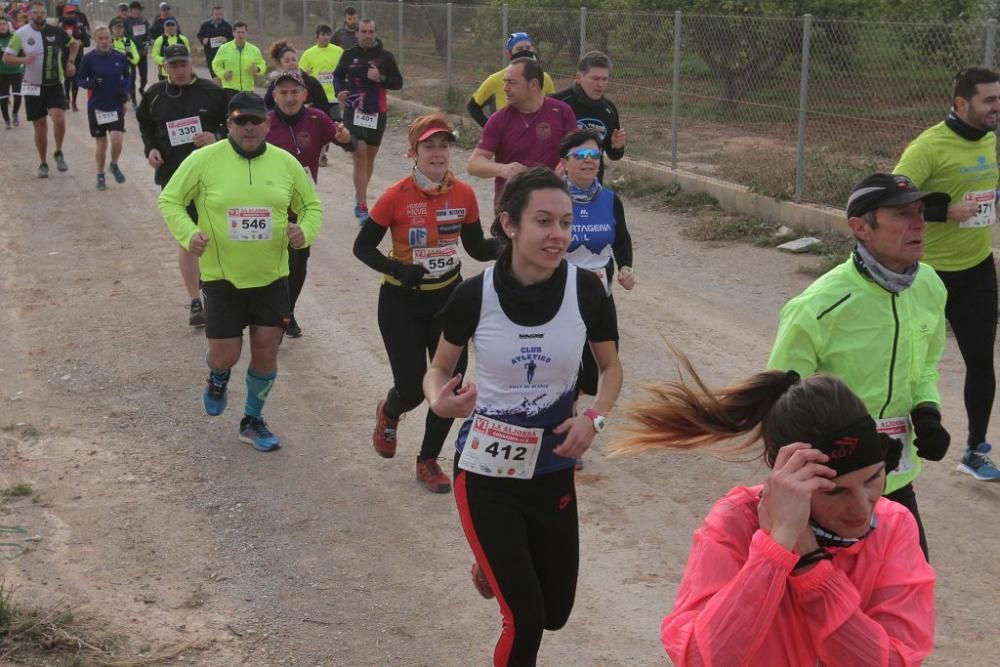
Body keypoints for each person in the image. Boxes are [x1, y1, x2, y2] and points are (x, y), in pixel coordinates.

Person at [423, 168, 623, 664]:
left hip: (552, 469)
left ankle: (491, 564)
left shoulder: (587, 292)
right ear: (509, 225)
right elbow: (438, 368)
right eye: (543, 222)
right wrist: (438, 400)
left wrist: (593, 419)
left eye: (565, 222)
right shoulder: (474, 295)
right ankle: (499, 559)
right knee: (526, 619)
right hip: (486, 470)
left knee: (555, 611)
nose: (558, 235)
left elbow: (612, 368)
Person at [612, 362, 936, 666]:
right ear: (791, 479)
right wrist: (777, 546)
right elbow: (701, 658)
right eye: (835, 491)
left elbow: (896, 660)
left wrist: (809, 562)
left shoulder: (893, 525)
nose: (862, 507)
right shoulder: (736, 521)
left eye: (872, 479)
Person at [769, 173, 951, 560]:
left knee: (909, 594)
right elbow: (782, 404)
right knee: (834, 606)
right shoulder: (818, 306)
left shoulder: (930, 287)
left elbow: (927, 365)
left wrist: (927, 409)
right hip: (835, 486)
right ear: (860, 227)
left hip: (895, 477)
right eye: (902, 214)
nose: (919, 223)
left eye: (921, 212)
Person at [158, 92, 324, 452]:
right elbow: (169, 199)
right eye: (240, 121)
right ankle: (218, 377)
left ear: (267, 123)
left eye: (255, 121)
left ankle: (252, 419)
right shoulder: (203, 160)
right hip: (222, 277)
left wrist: (304, 232)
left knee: (266, 352)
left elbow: (311, 205)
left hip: (272, 276)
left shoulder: (285, 163)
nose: (248, 128)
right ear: (229, 125)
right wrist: (189, 234)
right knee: (226, 354)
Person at [353, 114, 497, 494]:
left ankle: (428, 459)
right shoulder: (395, 196)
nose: (437, 153)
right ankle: (390, 410)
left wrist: (512, 242)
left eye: (444, 145)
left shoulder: (463, 194)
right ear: (413, 152)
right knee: (413, 389)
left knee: (449, 386)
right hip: (401, 302)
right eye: (429, 146)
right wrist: (398, 270)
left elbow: (477, 248)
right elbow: (362, 246)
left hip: (450, 300)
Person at [894, 67, 1000, 482]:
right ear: (961, 104)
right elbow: (892, 199)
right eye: (989, 100)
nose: (997, 107)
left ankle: (975, 449)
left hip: (976, 270)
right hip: (925, 276)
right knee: (910, 362)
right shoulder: (928, 147)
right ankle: (890, 443)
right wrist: (944, 211)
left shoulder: (990, 138)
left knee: (981, 361)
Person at [137, 43, 228, 328]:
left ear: (192, 64)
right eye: (172, 65)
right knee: (189, 239)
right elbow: (145, 124)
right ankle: (195, 301)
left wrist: (215, 135)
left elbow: (234, 125)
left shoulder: (212, 92)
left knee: (219, 236)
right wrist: (150, 149)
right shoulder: (153, 95)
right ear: (164, 67)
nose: (178, 70)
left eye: (183, 64)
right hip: (174, 178)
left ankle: (221, 293)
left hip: (213, 176)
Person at [559, 128, 634, 469]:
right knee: (568, 371)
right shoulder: (554, 198)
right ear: (564, 163)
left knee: (595, 374)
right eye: (581, 156)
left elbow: (621, 239)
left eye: (594, 156)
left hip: (600, 295)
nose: (590, 162)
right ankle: (567, 436)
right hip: (561, 296)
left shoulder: (610, 199)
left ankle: (583, 418)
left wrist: (626, 266)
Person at [266, 69, 354, 337]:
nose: (289, 98)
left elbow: (351, 146)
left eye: (295, 92)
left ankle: (287, 312)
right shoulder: (265, 124)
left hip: (304, 206)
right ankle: (274, 315)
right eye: (283, 92)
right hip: (270, 204)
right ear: (274, 96)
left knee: (299, 262)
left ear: (305, 94)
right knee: (275, 262)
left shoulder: (317, 119)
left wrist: (346, 139)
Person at [467, 57, 578, 209]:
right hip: (512, 204)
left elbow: (577, 150)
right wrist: (503, 169)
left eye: (511, 82)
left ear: (533, 84)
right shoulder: (499, 119)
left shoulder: (562, 112)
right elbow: (473, 164)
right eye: (505, 81)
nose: (505, 88)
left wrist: (567, 164)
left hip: (553, 200)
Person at [332, 18, 402, 222]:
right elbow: (337, 76)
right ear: (357, 34)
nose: (367, 35)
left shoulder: (385, 57)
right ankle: (363, 206)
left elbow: (398, 82)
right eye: (363, 31)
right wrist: (340, 91)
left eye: (371, 31)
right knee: (359, 155)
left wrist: (380, 78)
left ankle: (359, 193)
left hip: (376, 113)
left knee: (369, 159)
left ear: (375, 32)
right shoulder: (348, 55)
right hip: (354, 111)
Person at [3, 1, 79, 178]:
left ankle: (58, 152)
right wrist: (23, 60)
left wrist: (70, 61)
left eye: (43, 12)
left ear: (46, 14)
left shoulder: (57, 31)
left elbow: (75, 45)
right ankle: (43, 162)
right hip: (32, 85)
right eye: (36, 13)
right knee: (40, 127)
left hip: (53, 85)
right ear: (29, 15)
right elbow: (7, 58)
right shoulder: (21, 34)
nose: (40, 16)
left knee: (59, 118)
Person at [552, 51, 625, 183]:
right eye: (595, 79)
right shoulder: (557, 103)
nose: (601, 84)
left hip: (592, 186)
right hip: (557, 186)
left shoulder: (609, 109)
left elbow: (613, 155)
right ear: (579, 77)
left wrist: (617, 146)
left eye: (605, 79)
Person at [76, 25, 131, 191]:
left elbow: (128, 76)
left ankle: (113, 164)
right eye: (100, 38)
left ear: (111, 38)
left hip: (115, 105)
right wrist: (91, 84)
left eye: (107, 38)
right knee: (101, 144)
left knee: (117, 140)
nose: (104, 41)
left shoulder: (120, 57)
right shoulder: (88, 58)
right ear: (95, 40)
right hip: (97, 106)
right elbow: (79, 79)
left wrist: (125, 92)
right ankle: (100, 174)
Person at [467, 31, 555, 128]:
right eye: (519, 49)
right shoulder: (495, 80)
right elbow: (473, 106)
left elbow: (553, 109)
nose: (525, 52)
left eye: (528, 48)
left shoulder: (545, 78)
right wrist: (492, 129)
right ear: (509, 54)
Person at [299, 24, 344, 167]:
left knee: (333, 126)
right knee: (318, 126)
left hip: (334, 96)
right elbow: (300, 73)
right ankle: (321, 154)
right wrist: (307, 73)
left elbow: (344, 70)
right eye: (322, 35)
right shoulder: (309, 53)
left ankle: (323, 149)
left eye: (327, 34)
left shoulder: (338, 51)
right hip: (318, 97)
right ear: (317, 37)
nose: (325, 37)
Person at [262, 39, 327, 113]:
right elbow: (267, 104)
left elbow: (323, 106)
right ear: (280, 65)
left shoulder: (311, 82)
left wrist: (307, 111)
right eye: (287, 61)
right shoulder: (275, 83)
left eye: (294, 60)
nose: (291, 63)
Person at [211, 21, 265, 100]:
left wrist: (257, 69)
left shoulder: (254, 50)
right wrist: (223, 74)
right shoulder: (224, 48)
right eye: (238, 32)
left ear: (246, 33)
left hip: (248, 89)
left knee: (247, 112)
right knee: (232, 112)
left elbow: (262, 64)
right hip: (230, 89)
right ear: (233, 33)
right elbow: (215, 64)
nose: (240, 35)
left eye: (243, 32)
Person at [58, 1, 89, 112]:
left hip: (79, 57)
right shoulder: (60, 27)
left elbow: (88, 42)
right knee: (67, 79)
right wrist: (68, 44)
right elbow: (56, 42)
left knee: (76, 80)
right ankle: (66, 99)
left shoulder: (79, 27)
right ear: (63, 14)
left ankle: (74, 102)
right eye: (68, 13)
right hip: (65, 56)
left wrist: (80, 42)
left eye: (72, 13)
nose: (70, 15)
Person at [125, 1, 151, 107]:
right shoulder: (126, 22)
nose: (139, 11)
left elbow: (148, 34)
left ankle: (141, 89)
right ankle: (134, 100)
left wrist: (147, 41)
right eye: (137, 9)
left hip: (142, 52)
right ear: (132, 10)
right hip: (131, 54)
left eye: (140, 9)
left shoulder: (143, 21)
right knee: (132, 77)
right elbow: (125, 37)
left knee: (144, 76)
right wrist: (127, 50)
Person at [0, 15, 23, 129]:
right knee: (3, 99)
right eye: (0, 24)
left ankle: (14, 113)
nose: (2, 26)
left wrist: (23, 68)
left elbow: (23, 53)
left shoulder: (14, 37)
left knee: (18, 96)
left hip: (16, 72)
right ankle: (7, 121)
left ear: (8, 25)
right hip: (2, 74)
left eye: (4, 24)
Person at [196, 5, 232, 75]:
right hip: (210, 55)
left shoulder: (227, 26)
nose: (218, 17)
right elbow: (199, 35)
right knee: (214, 76)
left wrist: (226, 40)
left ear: (223, 15)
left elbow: (233, 38)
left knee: (222, 76)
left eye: (220, 14)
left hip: (224, 56)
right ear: (212, 15)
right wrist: (203, 40)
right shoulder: (206, 25)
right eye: (216, 14)